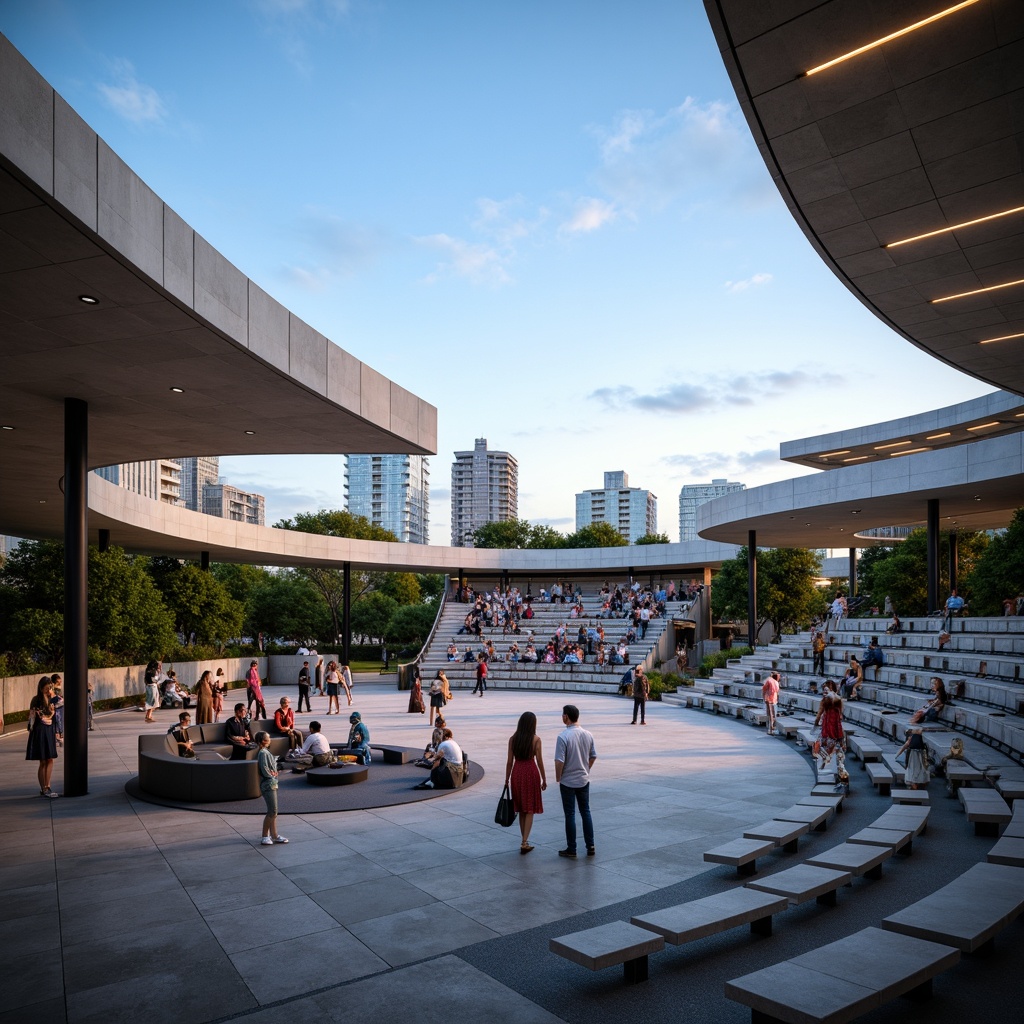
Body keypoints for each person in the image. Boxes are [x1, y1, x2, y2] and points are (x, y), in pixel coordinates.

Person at [554, 704, 596, 858]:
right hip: (583, 779)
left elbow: (559, 761)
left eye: (562, 714)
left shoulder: (563, 737)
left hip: (568, 781)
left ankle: (572, 848)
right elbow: (593, 756)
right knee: (585, 811)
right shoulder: (588, 734)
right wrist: (586, 768)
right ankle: (590, 845)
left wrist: (558, 777)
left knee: (570, 814)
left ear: (566, 717)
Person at [504, 711, 546, 854]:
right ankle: (524, 841)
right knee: (529, 808)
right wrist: (544, 778)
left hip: (517, 772)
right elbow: (539, 760)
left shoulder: (513, 739)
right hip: (530, 772)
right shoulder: (536, 740)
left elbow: (509, 761)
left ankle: (524, 839)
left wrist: (506, 779)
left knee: (521, 807)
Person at [26, 677, 59, 797]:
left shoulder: (52, 698)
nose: (47, 690)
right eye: (46, 688)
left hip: (49, 729)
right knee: (43, 760)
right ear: (40, 688)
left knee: (50, 758)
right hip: (40, 730)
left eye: (49, 688)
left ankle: (48, 786)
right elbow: (33, 716)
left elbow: (61, 704)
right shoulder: (36, 699)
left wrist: (52, 696)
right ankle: (43, 788)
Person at [255, 731, 287, 845]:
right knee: (272, 811)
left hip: (271, 782)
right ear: (263, 741)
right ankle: (265, 836)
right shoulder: (263, 753)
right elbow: (264, 768)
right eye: (268, 738)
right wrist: (272, 776)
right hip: (268, 784)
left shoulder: (264, 752)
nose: (270, 739)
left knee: (274, 811)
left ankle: (274, 835)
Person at [812, 682, 846, 776]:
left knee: (819, 747)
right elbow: (840, 716)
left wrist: (815, 724)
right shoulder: (838, 699)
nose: (824, 692)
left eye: (825, 690)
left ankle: (826, 762)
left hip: (828, 729)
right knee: (837, 749)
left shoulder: (826, 700)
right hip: (836, 729)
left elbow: (819, 713)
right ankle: (834, 766)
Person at [762, 670, 780, 735]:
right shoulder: (774, 682)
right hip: (772, 700)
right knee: (772, 715)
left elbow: (764, 689)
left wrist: (764, 698)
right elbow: (777, 692)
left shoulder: (770, 681)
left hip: (770, 700)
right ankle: (771, 729)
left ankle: (771, 729)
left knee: (771, 715)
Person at [49, 674, 64, 747]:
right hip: (56, 708)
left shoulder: (59, 688)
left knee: (60, 722)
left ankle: (60, 737)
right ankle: (57, 738)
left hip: (61, 707)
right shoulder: (52, 689)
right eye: (59, 679)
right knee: (56, 722)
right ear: (55, 680)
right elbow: (53, 698)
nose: (60, 680)